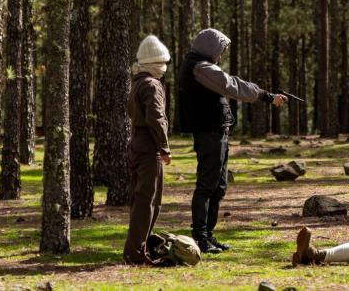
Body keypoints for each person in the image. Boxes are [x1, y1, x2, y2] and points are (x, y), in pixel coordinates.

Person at [177, 28, 287, 254]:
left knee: (218, 186)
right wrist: (266, 96)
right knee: (207, 185)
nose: (222, 53)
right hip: (209, 133)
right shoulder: (201, 67)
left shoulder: (200, 65)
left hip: (216, 131)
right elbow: (232, 85)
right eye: (221, 48)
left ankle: (208, 234)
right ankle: (200, 237)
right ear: (210, 47)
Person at [123, 35, 172, 265]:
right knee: (149, 201)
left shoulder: (137, 82)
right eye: (162, 63)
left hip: (136, 143)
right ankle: (137, 253)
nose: (164, 68)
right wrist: (164, 146)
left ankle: (136, 249)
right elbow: (157, 118)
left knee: (140, 199)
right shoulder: (152, 85)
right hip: (149, 145)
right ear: (155, 63)